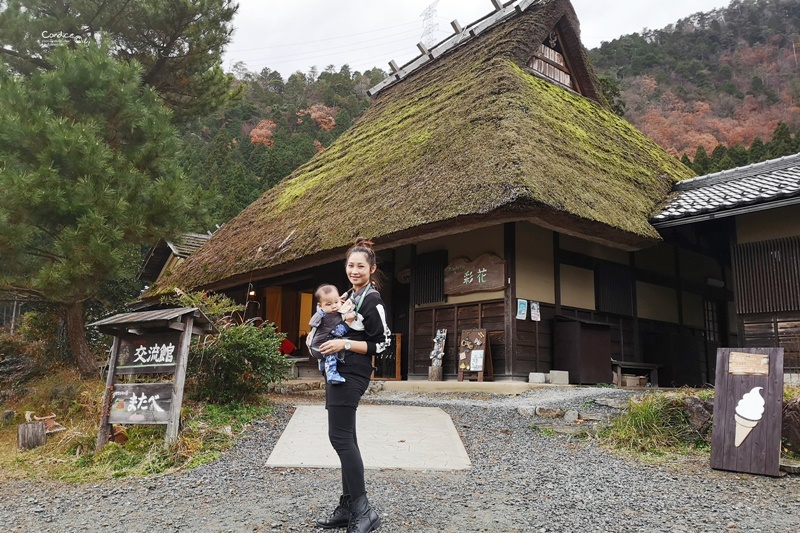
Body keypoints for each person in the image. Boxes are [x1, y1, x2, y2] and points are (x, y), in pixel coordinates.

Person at [316, 238, 391, 533]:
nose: (355, 270)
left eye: (361, 266)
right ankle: (348, 507)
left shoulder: (372, 300)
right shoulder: (347, 296)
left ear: (372, 269)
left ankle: (364, 511)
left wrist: (343, 342)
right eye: (350, 265)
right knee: (348, 437)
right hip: (339, 371)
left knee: (340, 438)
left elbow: (382, 343)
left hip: (352, 373)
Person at [307, 283, 363, 384]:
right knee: (332, 348)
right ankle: (332, 374)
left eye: (336, 302)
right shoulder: (327, 317)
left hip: (316, 346)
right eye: (329, 304)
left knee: (330, 342)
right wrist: (348, 322)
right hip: (319, 347)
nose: (334, 306)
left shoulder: (322, 313)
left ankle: (322, 363)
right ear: (320, 306)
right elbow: (338, 332)